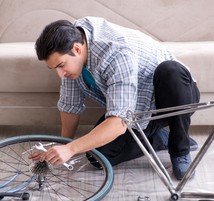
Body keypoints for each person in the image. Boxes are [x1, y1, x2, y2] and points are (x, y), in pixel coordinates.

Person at [31, 17, 200, 180]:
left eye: (61, 65)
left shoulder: (116, 52)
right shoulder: (72, 41)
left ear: (77, 49)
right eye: (54, 68)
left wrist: (72, 148)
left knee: (170, 70)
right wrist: (62, 146)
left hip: (174, 96)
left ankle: (180, 149)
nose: (60, 74)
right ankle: (160, 138)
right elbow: (70, 106)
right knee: (98, 157)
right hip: (138, 110)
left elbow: (118, 123)